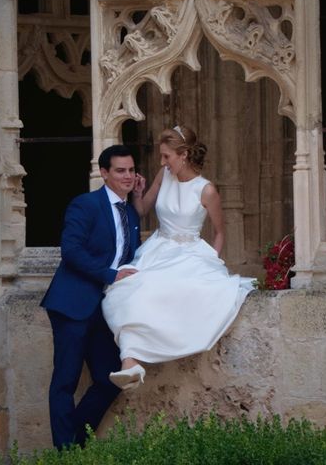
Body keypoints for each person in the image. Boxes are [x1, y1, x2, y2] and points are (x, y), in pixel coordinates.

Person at [102, 125, 255, 390]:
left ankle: (133, 360)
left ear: (183, 155)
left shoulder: (206, 190)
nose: (162, 162)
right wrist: (137, 194)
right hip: (157, 249)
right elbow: (141, 209)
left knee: (172, 293)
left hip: (190, 253)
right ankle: (130, 362)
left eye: (166, 156)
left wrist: (212, 262)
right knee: (127, 288)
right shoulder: (164, 175)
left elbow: (219, 233)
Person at [40, 145, 141, 449]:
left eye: (131, 170)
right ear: (104, 173)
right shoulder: (85, 204)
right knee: (65, 382)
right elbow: (71, 251)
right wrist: (110, 275)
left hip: (104, 309)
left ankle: (74, 443)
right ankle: (66, 454)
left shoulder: (131, 212)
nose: (127, 176)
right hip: (72, 304)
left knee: (110, 378)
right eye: (120, 171)